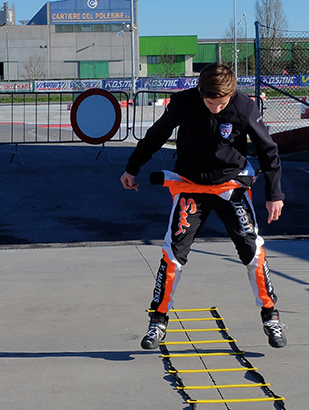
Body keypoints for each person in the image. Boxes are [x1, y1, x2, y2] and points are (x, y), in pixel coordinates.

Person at [120, 63, 287, 350]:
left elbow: (267, 150)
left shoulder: (244, 107)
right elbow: (156, 135)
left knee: (252, 250)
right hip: (190, 187)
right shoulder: (183, 103)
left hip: (230, 188)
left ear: (232, 95)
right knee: (173, 253)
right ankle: (158, 320)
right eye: (210, 103)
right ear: (200, 91)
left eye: (221, 103)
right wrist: (132, 168)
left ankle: (271, 316)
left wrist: (274, 193)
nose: (215, 108)